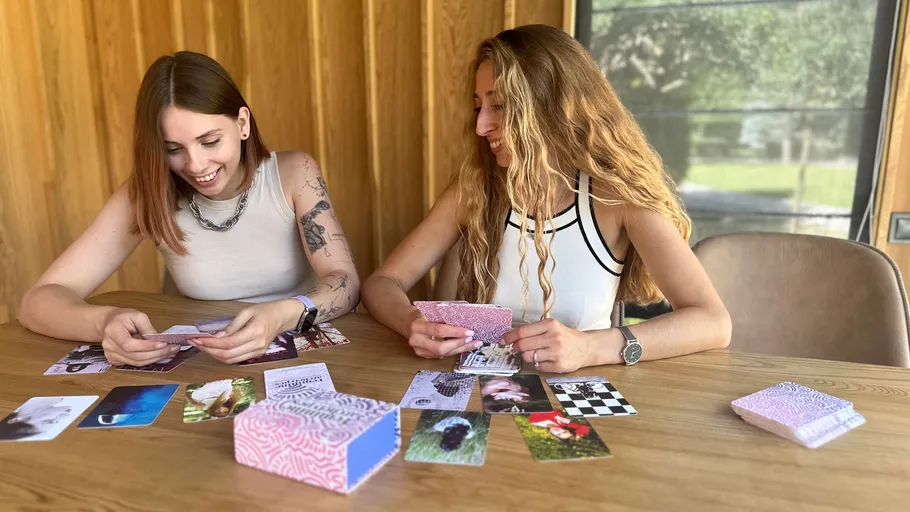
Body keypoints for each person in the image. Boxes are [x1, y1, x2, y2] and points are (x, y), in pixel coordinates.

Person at [361, 24, 731, 373]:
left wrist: (590, 348)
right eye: (479, 106)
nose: (480, 126)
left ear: (554, 106)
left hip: (581, 399)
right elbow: (381, 284)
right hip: (481, 391)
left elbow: (713, 321)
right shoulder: (472, 189)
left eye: (500, 106)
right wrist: (413, 323)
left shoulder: (617, 198)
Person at [18, 51, 359, 366]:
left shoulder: (295, 173)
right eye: (173, 148)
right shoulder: (146, 193)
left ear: (242, 124)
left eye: (210, 141)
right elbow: (38, 303)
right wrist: (104, 322)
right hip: (209, 367)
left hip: (308, 357)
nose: (196, 165)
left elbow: (345, 283)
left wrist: (281, 314)